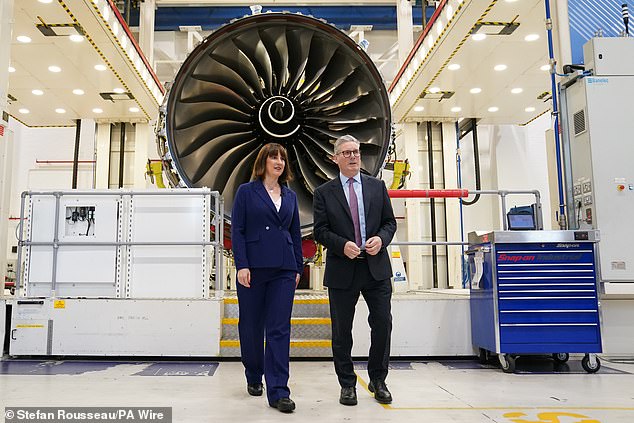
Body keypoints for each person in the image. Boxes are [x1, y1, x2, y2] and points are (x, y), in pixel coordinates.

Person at [313, 134, 397, 406]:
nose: (352, 157)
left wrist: (381, 239)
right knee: (341, 331)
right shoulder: (323, 193)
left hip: (376, 268)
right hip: (343, 269)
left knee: (382, 323)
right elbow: (320, 231)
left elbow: (389, 223)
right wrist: (342, 245)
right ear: (335, 158)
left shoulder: (377, 186)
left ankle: (378, 379)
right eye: (346, 153)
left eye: (356, 152)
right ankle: (347, 384)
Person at [231, 143, 303, 413]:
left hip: (284, 269)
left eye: (282, 158)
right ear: (263, 162)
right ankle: (253, 373)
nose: (279, 161)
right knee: (250, 325)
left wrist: (297, 267)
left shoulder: (290, 196)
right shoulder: (246, 192)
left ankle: (279, 391)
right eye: (274, 157)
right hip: (254, 268)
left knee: (279, 328)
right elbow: (238, 231)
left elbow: (294, 234)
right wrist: (242, 265)